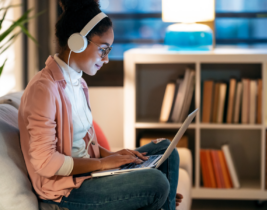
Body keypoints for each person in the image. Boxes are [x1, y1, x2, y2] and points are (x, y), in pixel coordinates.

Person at [18, 0, 183, 209]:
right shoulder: (44, 89)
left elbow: (84, 143)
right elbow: (45, 163)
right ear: (77, 42)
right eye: (103, 49)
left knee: (165, 149)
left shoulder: (78, 81)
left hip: (91, 172)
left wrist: (112, 155)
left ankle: (161, 199)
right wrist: (104, 164)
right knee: (158, 183)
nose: (106, 59)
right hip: (67, 188)